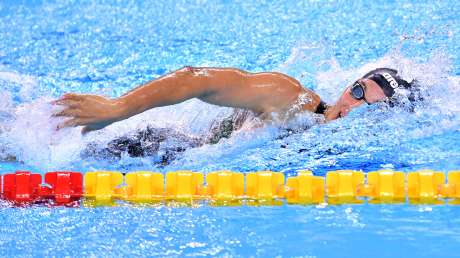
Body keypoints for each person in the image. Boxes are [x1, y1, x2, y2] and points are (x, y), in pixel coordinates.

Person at [53, 66, 418, 164]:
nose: (350, 106)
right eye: (356, 91)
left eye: (366, 106)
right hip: (160, 150)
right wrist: (117, 109)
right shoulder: (291, 98)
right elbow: (194, 79)